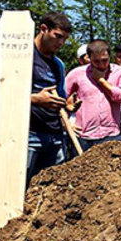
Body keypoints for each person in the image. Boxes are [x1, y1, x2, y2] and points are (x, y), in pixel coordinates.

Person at [27, 12, 80, 181]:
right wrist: (35, 99)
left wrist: (66, 106)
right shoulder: (23, 56)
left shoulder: (58, 64)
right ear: (43, 29)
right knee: (19, 186)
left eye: (64, 38)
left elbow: (61, 99)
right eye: (58, 36)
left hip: (55, 136)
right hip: (29, 135)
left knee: (51, 190)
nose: (61, 43)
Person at [66, 39, 121, 151]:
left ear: (110, 57)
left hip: (111, 134)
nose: (101, 65)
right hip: (83, 135)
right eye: (96, 61)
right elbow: (60, 98)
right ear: (89, 58)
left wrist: (101, 81)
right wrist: (66, 123)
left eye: (104, 60)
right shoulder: (77, 73)